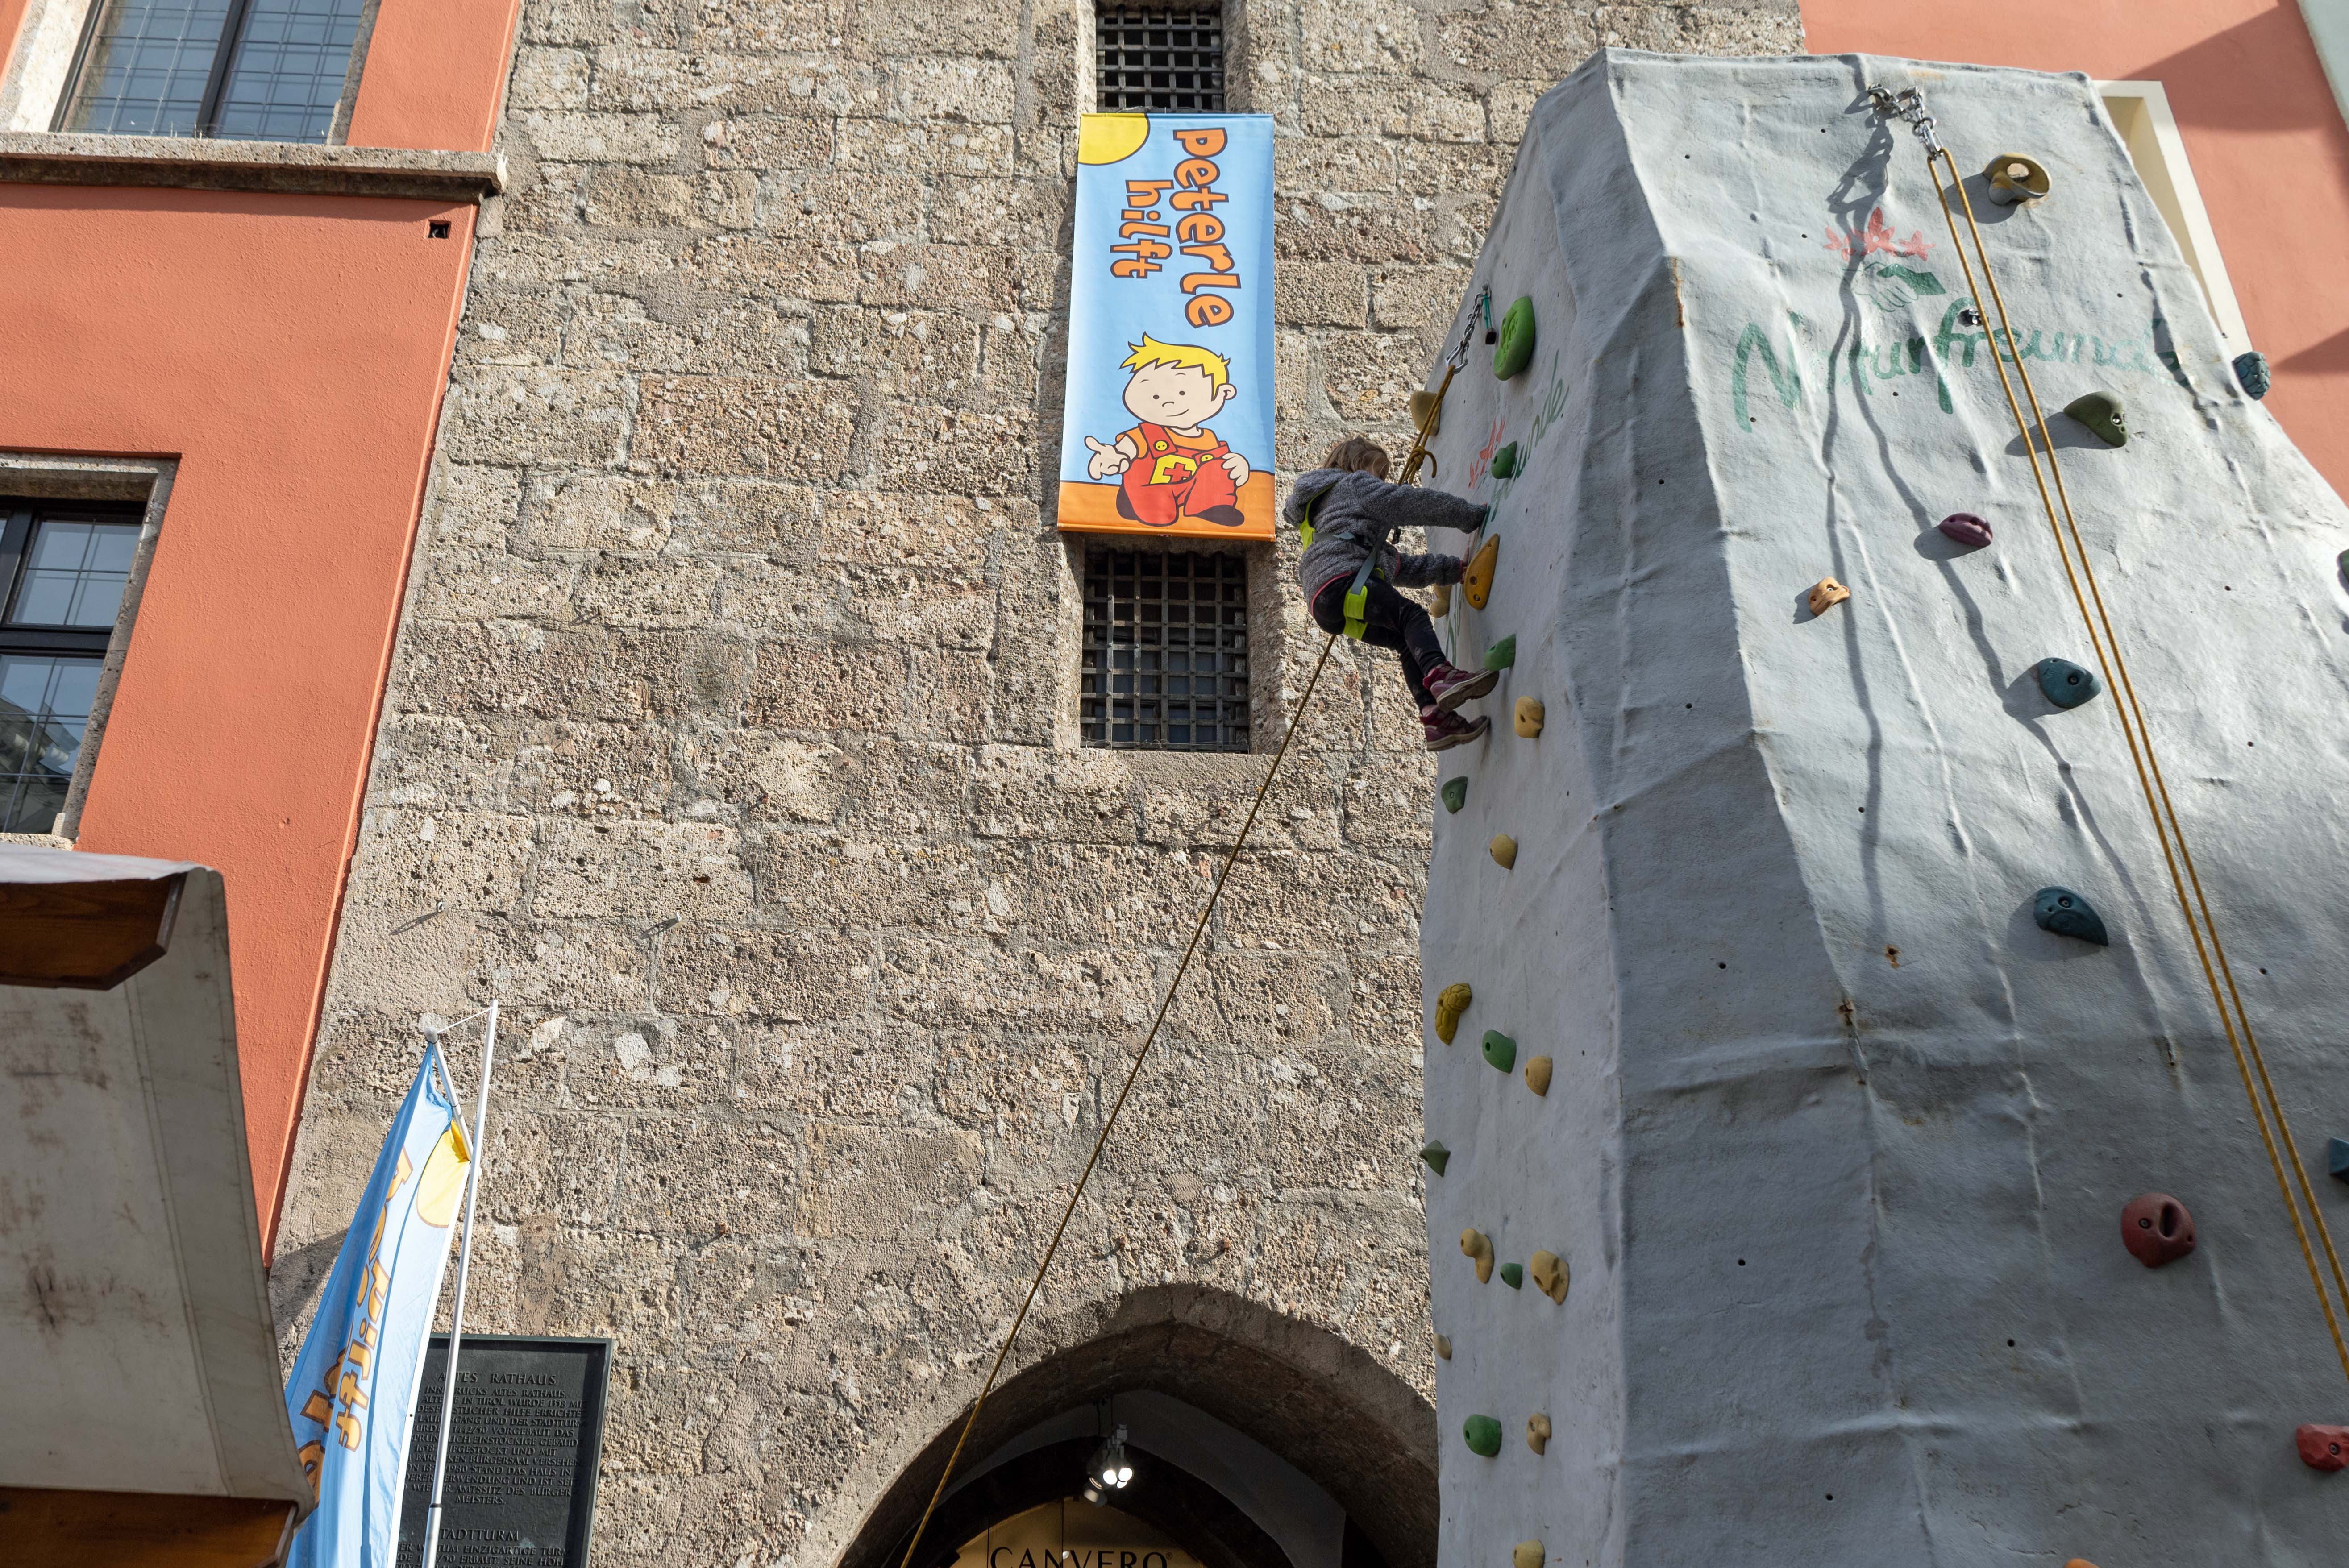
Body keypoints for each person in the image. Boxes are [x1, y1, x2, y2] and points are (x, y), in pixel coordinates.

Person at [1285, 435, 1495, 751]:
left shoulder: (1322, 518)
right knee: (1411, 616)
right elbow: (1409, 503)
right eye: (1379, 473)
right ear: (1358, 464)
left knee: (1405, 641)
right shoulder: (1355, 485)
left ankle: (1435, 718)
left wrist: (1454, 570)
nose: (1381, 482)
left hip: (1325, 604)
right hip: (1344, 582)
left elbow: (1398, 567)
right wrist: (1467, 516)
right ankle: (1441, 675)